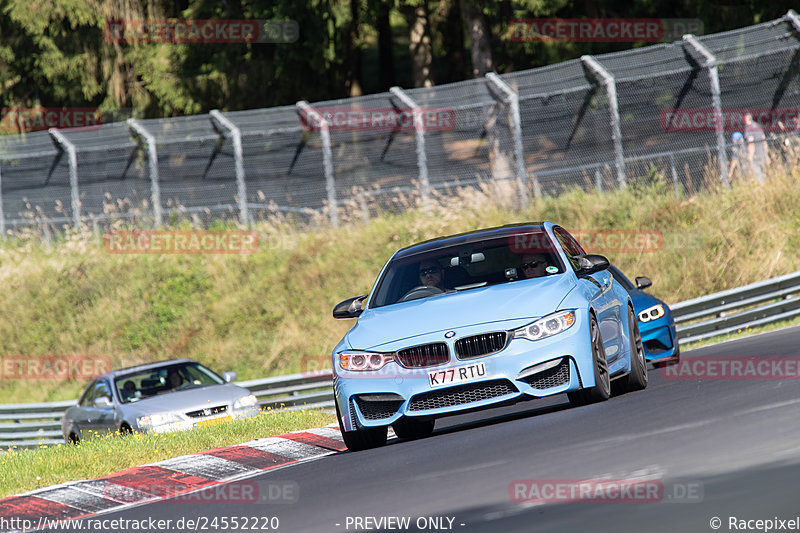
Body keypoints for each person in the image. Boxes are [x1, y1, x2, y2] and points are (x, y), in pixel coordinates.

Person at [744, 112, 770, 183]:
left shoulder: (748, 128)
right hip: (762, 155)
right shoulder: (758, 126)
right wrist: (766, 155)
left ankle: (761, 191)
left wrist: (750, 157)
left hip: (755, 156)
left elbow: (751, 143)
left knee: (757, 177)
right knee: (764, 176)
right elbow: (764, 140)